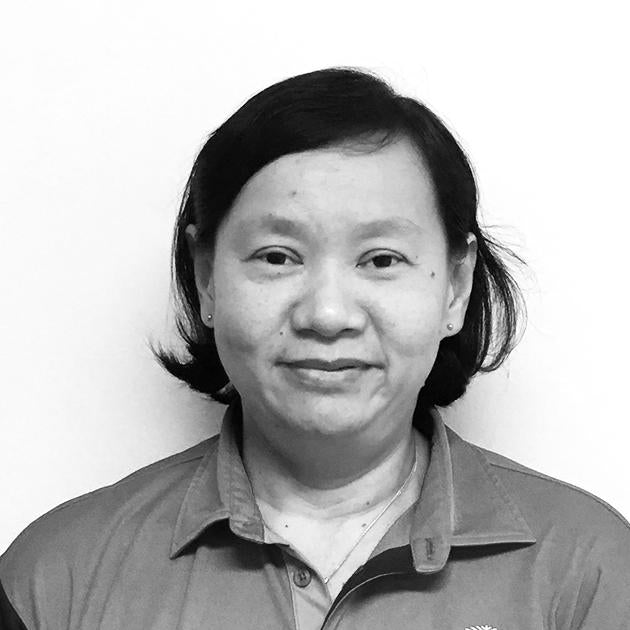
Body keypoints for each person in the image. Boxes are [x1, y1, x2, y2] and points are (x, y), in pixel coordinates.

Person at [1, 67, 628, 630]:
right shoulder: (56, 576)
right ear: (206, 277)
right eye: (278, 257)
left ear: (455, 288)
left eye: (381, 259)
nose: (327, 315)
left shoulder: (589, 570)